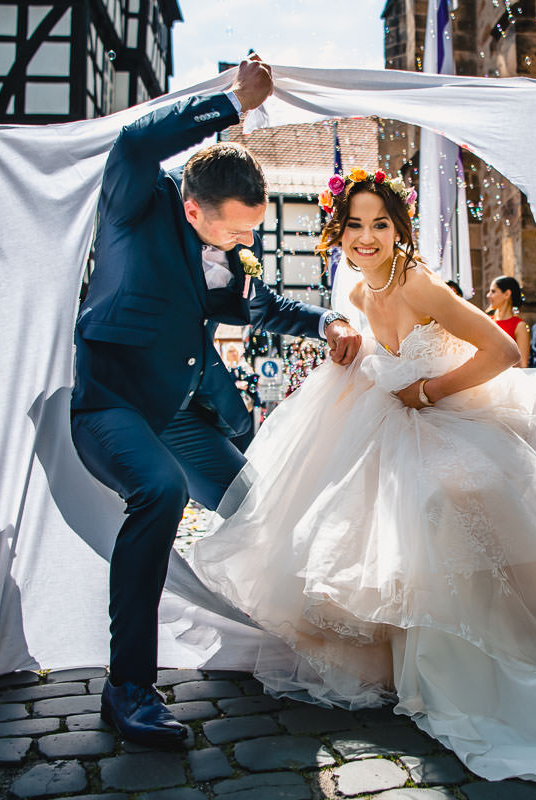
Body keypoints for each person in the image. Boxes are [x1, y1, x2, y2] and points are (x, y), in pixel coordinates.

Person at [170, 169, 536, 782]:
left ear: (398, 227)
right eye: (354, 224)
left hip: (446, 417)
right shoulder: (356, 297)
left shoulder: (420, 285)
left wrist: (426, 392)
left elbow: (504, 354)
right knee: (351, 531)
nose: (366, 237)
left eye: (380, 223)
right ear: (338, 231)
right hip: (387, 421)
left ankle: (481, 657)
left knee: (443, 505)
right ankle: (394, 655)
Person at [69, 56, 362, 749]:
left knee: (256, 509)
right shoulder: (135, 207)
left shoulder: (229, 254)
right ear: (193, 207)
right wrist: (233, 102)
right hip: (112, 401)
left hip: (181, 411)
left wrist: (327, 323)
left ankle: (261, 638)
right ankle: (129, 687)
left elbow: (263, 306)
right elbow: (135, 143)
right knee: (160, 491)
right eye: (236, 231)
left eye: (252, 231)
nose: (246, 242)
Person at [485, 275, 531, 367]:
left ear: (507, 294)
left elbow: (523, 364)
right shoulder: (487, 321)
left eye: (493, 291)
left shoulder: (519, 326)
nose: (488, 295)